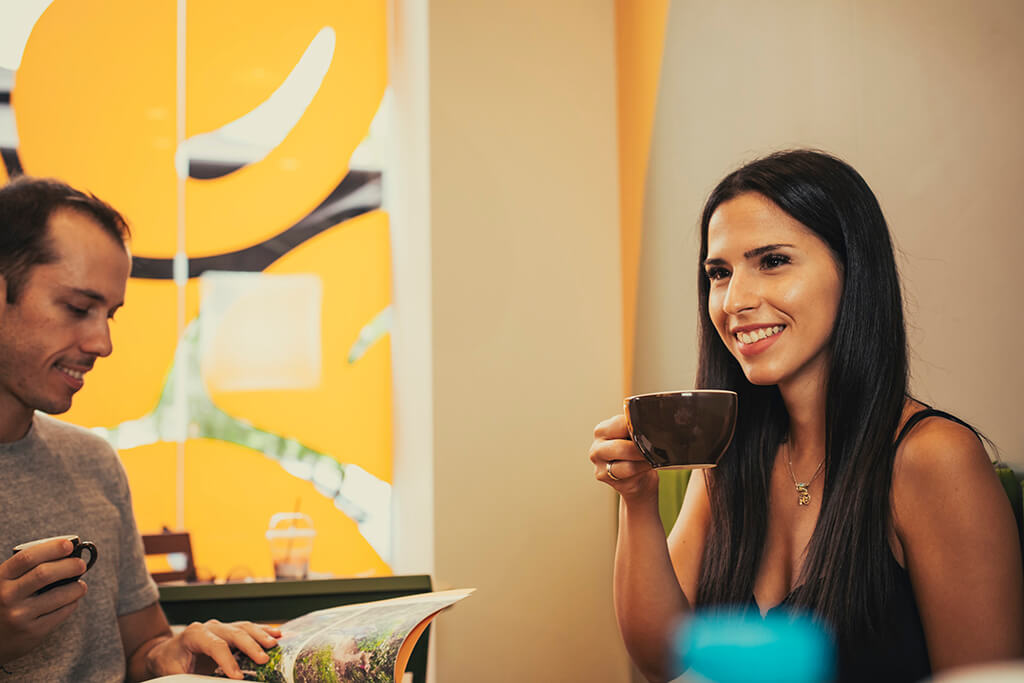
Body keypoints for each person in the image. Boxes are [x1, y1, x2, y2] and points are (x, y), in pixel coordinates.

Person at [589, 150, 1024, 682]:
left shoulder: (933, 457)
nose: (733, 301)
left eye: (772, 261)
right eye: (719, 273)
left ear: (852, 269)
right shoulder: (731, 453)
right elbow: (664, 662)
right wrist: (636, 502)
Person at [0, 176, 281, 681]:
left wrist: (173, 653)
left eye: (110, 314)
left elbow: (141, 650)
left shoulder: (93, 462)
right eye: (78, 308)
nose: (102, 343)